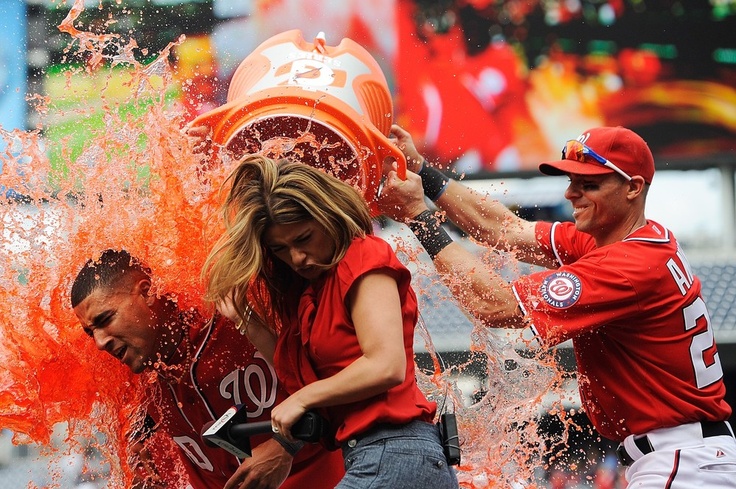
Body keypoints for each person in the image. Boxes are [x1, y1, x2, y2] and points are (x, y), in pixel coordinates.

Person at [378, 124, 736, 488]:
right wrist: (422, 168)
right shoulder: (625, 240)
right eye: (571, 180)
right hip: (683, 456)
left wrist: (418, 219)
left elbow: (496, 305)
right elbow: (505, 229)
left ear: (633, 187)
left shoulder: (629, 265)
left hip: (684, 461)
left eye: (589, 184)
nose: (571, 193)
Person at [202, 154, 459, 489]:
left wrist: (303, 399)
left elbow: (386, 365)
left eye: (304, 238)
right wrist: (245, 318)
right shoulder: (311, 294)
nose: (295, 258)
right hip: (377, 458)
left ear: (328, 216)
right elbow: (294, 371)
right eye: (280, 249)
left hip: (396, 455)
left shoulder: (365, 256)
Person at [71, 249, 345, 489]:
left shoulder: (240, 310)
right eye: (89, 332)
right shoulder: (134, 379)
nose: (99, 342)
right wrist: (140, 452)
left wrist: (285, 446)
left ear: (146, 292)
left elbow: (342, 382)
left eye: (105, 319)